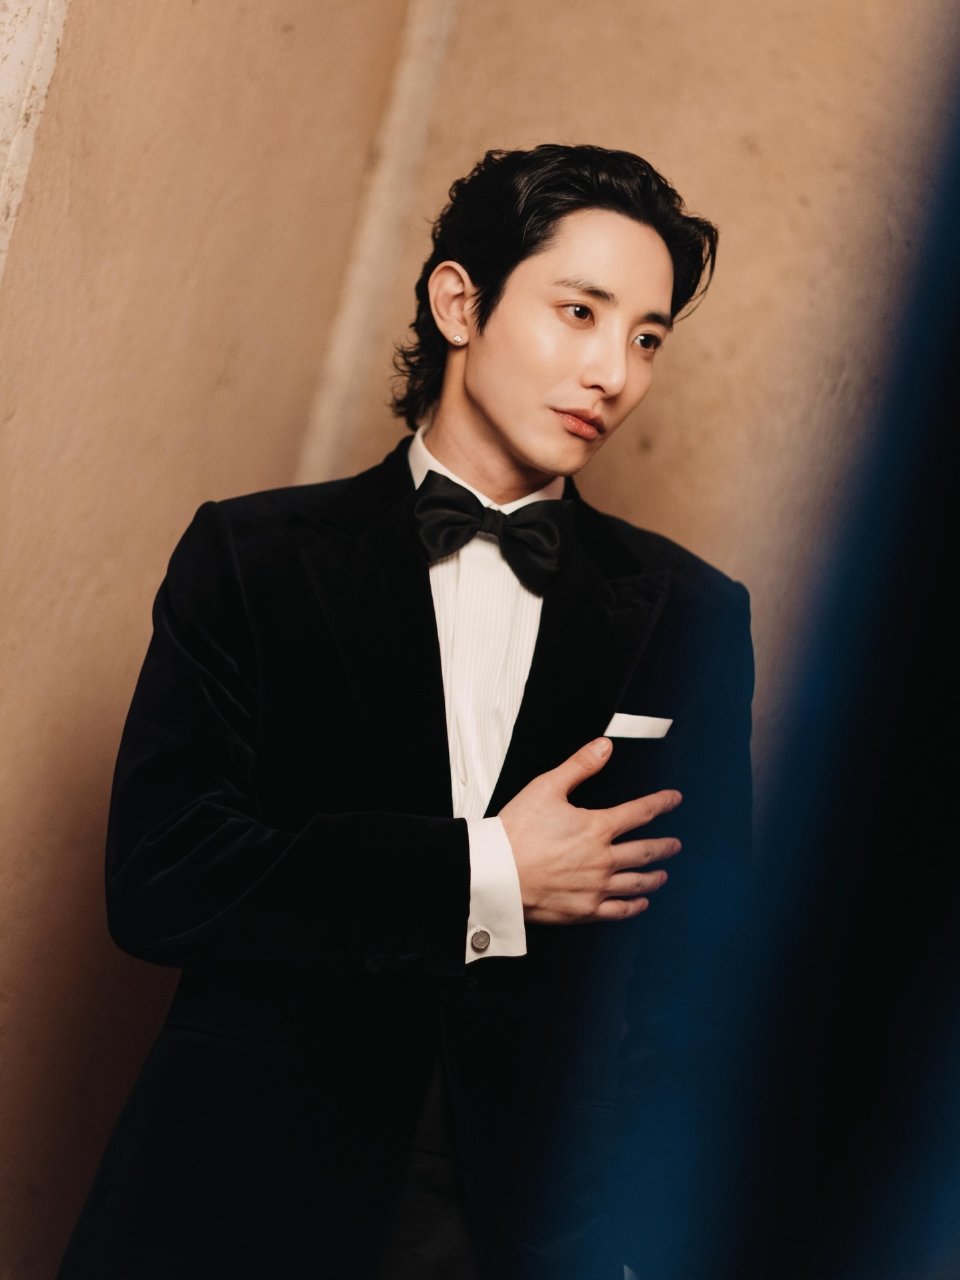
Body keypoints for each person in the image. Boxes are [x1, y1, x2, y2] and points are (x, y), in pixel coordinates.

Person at [57, 144, 753, 1280]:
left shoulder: (694, 614)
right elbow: (162, 878)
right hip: (238, 1197)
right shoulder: (251, 555)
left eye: (646, 338)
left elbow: (697, 974)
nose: (613, 373)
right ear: (460, 302)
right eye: (580, 312)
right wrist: (487, 871)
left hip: (523, 1230)